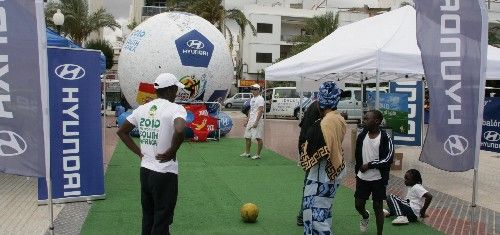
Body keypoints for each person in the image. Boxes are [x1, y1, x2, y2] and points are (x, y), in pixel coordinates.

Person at [117, 73, 187, 235]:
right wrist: (172, 151)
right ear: (170, 90)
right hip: (164, 173)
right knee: (162, 219)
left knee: (148, 217)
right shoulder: (175, 108)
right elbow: (180, 129)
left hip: (146, 171)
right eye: (176, 89)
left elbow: (122, 132)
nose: (177, 93)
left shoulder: (142, 109)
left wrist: (140, 153)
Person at [299, 81, 346, 235]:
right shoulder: (338, 118)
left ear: (320, 101)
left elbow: (318, 149)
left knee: (315, 219)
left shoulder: (326, 122)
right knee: (324, 214)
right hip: (333, 173)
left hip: (321, 175)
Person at [354, 110, 394, 235]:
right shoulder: (361, 136)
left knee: (378, 208)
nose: (363, 121)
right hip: (362, 178)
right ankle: (365, 216)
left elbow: (388, 159)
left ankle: (379, 233)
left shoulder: (385, 138)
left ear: (376, 121)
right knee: (358, 205)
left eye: (366, 119)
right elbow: (357, 154)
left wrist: (370, 165)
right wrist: (358, 169)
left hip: (378, 179)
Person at [240, 84, 264, 160]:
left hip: (257, 120)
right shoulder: (252, 98)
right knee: (247, 137)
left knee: (258, 138)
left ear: (258, 90)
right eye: (252, 89)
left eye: (254, 89)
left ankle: (258, 155)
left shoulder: (260, 99)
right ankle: (247, 153)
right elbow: (251, 110)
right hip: (251, 120)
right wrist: (247, 120)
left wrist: (256, 122)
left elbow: (260, 111)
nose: (253, 91)